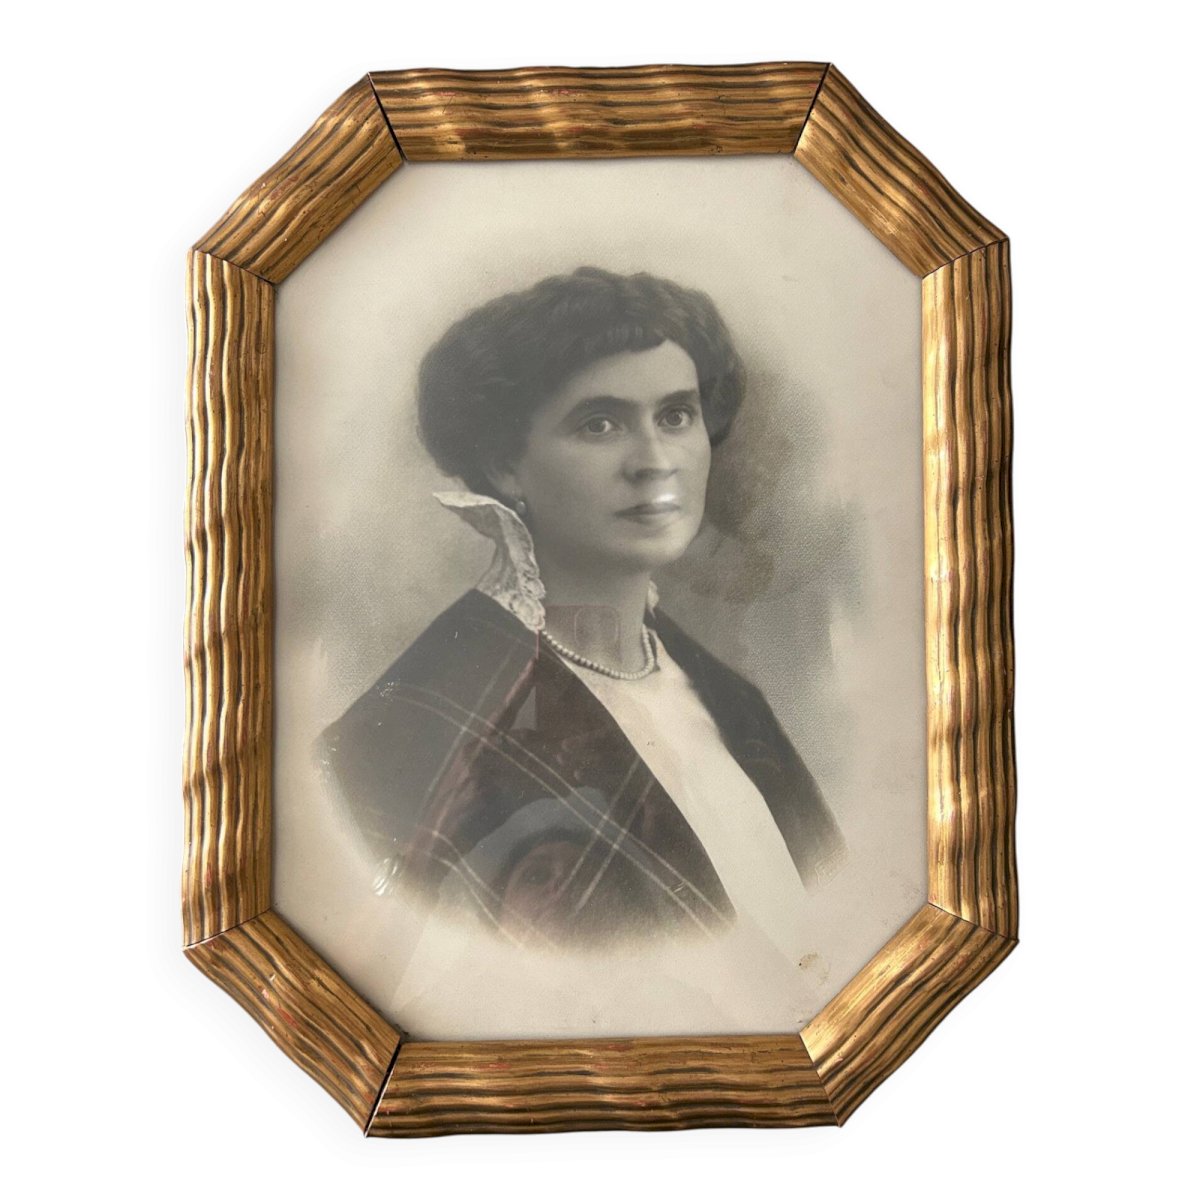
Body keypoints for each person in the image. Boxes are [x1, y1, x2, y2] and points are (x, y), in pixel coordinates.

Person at [320, 267, 845, 951]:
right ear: (504, 464)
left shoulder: (731, 700)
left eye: (676, 416)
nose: (654, 461)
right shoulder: (410, 730)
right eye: (600, 424)